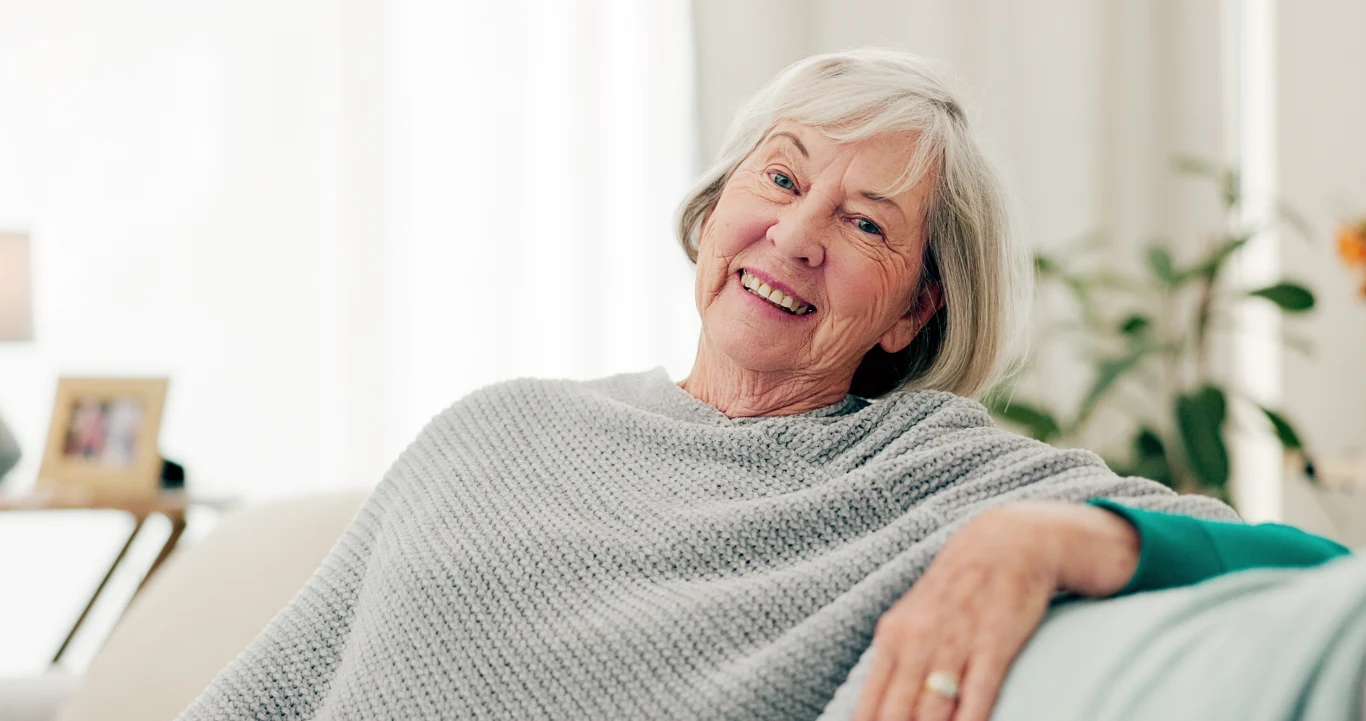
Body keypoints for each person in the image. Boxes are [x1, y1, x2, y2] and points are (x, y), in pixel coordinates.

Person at [177, 48, 1347, 721]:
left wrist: (1050, 537)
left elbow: (1317, 570)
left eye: (865, 222)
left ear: (916, 309)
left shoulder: (932, 475)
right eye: (781, 178)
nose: (794, 234)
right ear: (715, 204)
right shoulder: (493, 431)